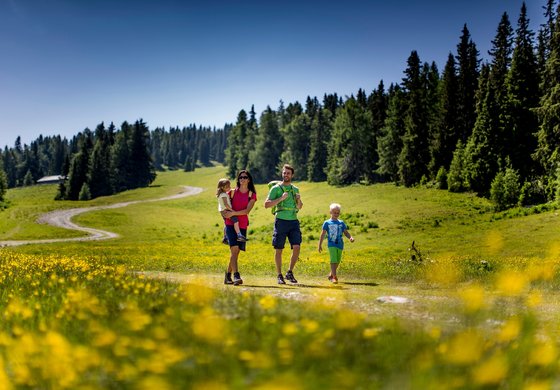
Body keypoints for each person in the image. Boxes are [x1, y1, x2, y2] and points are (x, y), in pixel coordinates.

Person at [264, 164, 303, 284]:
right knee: (279, 249)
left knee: (297, 247)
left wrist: (299, 200)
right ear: (282, 174)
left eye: (288, 173)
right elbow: (266, 204)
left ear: (292, 175)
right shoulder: (275, 188)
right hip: (280, 221)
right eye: (284, 173)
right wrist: (281, 198)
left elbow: (299, 207)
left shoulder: (295, 189)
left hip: (293, 221)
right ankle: (279, 275)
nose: (286, 175)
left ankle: (289, 272)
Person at [221, 170, 257, 286]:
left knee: (236, 253)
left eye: (245, 177)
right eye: (240, 177)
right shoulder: (231, 193)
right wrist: (226, 215)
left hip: (242, 225)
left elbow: (247, 211)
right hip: (230, 224)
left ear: (249, 179)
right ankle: (236, 276)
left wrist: (233, 213)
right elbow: (222, 206)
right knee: (234, 250)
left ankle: (227, 276)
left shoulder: (252, 195)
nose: (242, 179)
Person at [318, 203, 354, 283]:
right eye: (334, 212)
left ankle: (331, 274)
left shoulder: (341, 223)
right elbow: (323, 234)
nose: (336, 214)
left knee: (337, 261)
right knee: (333, 260)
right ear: (330, 212)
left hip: (340, 244)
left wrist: (350, 237)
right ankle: (334, 277)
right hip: (331, 244)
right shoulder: (327, 223)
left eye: (338, 213)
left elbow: (346, 232)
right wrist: (319, 244)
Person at [216, 178, 246, 243]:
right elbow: (226, 204)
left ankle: (225, 237)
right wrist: (232, 210)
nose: (229, 188)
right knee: (236, 220)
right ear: (222, 187)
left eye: (229, 186)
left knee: (226, 223)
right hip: (226, 211)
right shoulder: (223, 195)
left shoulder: (222, 193)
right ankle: (239, 235)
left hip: (224, 211)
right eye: (227, 187)